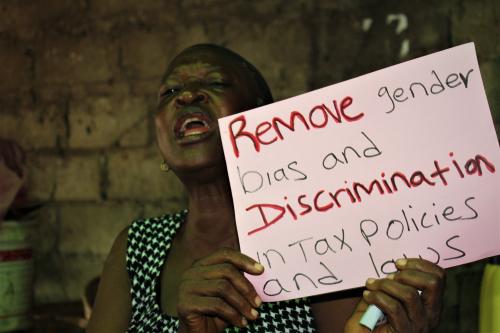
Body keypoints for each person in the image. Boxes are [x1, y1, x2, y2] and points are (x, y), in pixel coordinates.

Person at [87, 44, 445, 333]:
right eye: (171, 90)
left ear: (264, 119)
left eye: (215, 84)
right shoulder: (137, 247)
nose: (187, 96)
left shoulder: (321, 244)